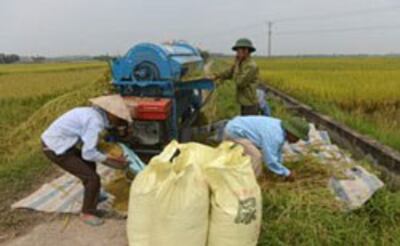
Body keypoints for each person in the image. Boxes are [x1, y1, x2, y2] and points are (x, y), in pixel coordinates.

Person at [41, 94, 132, 226]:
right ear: (110, 113)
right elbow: (88, 153)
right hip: (55, 148)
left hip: (61, 142)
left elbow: (88, 150)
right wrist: (110, 159)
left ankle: (93, 195)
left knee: (89, 164)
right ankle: (87, 212)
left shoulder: (91, 113)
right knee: (92, 178)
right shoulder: (95, 121)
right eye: (118, 117)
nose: (118, 120)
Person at [224, 116, 310, 179]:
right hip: (235, 132)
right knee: (256, 156)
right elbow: (270, 160)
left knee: (247, 153)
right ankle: (251, 182)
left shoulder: (280, 128)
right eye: (297, 137)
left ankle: (238, 172)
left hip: (239, 125)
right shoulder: (274, 135)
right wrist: (286, 173)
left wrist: (280, 167)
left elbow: (277, 151)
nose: (297, 141)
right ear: (291, 132)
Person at [212, 38, 260, 115]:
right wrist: (217, 76)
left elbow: (240, 82)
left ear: (246, 51)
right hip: (243, 101)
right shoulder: (241, 63)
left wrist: (236, 64)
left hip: (249, 103)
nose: (237, 53)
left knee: (247, 125)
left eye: (238, 51)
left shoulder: (251, 66)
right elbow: (229, 73)